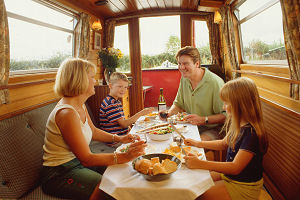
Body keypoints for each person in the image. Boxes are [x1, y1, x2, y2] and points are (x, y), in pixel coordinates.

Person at [40, 58, 146, 200]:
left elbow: (94, 131)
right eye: (91, 77)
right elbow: (87, 159)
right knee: (110, 186)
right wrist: (125, 156)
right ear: (80, 80)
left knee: (125, 171)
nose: (95, 82)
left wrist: (120, 138)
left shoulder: (79, 105)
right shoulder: (67, 113)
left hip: (77, 163)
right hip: (60, 173)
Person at [184, 77, 269, 200]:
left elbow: (235, 168)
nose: (223, 107)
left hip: (243, 186)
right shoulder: (238, 124)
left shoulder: (251, 134)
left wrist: (201, 163)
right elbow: (224, 143)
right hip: (229, 176)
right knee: (196, 181)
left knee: (197, 193)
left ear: (240, 105)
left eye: (226, 103)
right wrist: (198, 143)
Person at [159, 46, 226, 142]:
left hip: (214, 129)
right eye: (179, 63)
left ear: (197, 64)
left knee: (192, 146)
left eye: (186, 63)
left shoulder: (215, 83)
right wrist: (168, 114)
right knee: (170, 140)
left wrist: (203, 119)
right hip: (191, 126)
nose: (181, 67)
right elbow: (178, 104)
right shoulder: (185, 79)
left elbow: (226, 116)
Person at [99, 72, 154, 145]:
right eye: (120, 86)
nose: (123, 90)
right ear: (110, 86)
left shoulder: (116, 102)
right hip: (115, 142)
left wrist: (130, 131)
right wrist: (141, 113)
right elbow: (124, 124)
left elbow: (124, 122)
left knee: (147, 137)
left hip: (123, 136)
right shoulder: (110, 104)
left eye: (125, 87)